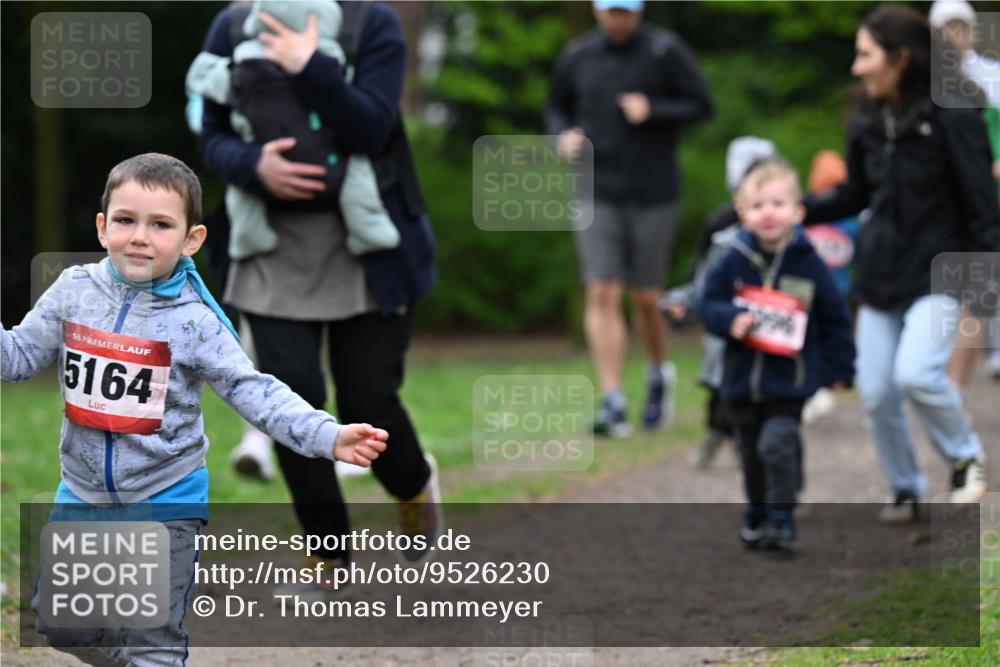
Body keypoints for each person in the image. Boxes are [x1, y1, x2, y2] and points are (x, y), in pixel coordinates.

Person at [1, 153, 388, 666]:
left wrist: (327, 435)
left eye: (160, 224)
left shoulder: (196, 321)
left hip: (166, 497)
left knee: (153, 641)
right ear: (101, 227)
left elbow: (256, 391)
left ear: (191, 240)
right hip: (83, 492)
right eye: (125, 220)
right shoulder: (74, 291)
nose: (139, 236)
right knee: (61, 624)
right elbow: (20, 357)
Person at [196, 0, 441, 585]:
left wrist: (311, 66)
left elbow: (373, 128)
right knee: (289, 406)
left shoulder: (371, 25)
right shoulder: (232, 25)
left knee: (369, 403)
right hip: (270, 251)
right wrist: (253, 164)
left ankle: (413, 484)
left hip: (369, 249)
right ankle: (328, 549)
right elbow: (210, 135)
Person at [805, 5, 1000, 520]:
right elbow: (855, 194)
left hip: (937, 272)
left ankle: (965, 460)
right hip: (878, 276)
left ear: (900, 58)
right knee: (875, 392)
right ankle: (906, 488)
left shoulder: (954, 114)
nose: (857, 67)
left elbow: (983, 207)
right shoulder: (868, 116)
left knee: (915, 374)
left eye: (865, 55)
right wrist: (802, 210)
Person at [546, 0, 714, 437]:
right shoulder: (578, 55)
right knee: (601, 289)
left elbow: (701, 104)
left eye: (625, 10)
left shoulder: (665, 50)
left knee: (645, 297)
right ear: (597, 11)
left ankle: (659, 372)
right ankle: (613, 399)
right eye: (609, 10)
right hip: (597, 190)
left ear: (639, 11)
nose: (617, 18)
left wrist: (654, 110)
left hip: (653, 192)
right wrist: (560, 138)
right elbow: (556, 109)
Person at [700, 157, 856, 549]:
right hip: (740, 381)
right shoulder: (733, 258)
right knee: (750, 455)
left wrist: (841, 367)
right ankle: (757, 512)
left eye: (777, 204)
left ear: (798, 211)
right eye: (757, 206)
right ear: (742, 212)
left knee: (777, 445)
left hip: (789, 381)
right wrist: (729, 318)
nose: (768, 213)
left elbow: (834, 317)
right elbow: (709, 303)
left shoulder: (809, 263)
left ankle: (782, 518)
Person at [660, 136, 776, 469]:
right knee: (723, 388)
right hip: (727, 327)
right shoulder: (720, 230)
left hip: (773, 335)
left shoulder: (791, 236)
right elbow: (702, 279)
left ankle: (773, 476)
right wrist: (684, 304)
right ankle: (719, 435)